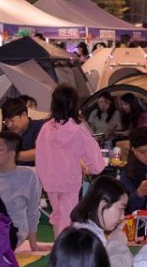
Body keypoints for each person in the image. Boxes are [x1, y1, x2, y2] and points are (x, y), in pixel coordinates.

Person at [36, 84, 105, 236]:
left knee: (57, 215)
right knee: (68, 218)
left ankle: (57, 249)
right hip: (69, 182)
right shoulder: (78, 130)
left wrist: (44, 176)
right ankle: (63, 253)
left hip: (50, 181)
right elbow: (93, 156)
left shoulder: (45, 128)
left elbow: (40, 155)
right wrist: (91, 168)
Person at [0, 131, 42, 252]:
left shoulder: (28, 175)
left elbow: (32, 211)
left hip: (12, 232)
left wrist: (33, 245)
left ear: (11, 154)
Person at [0, 97, 44, 164]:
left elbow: (43, 152)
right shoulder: (6, 134)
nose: (9, 125)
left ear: (24, 115)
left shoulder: (40, 127)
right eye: (6, 121)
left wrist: (14, 155)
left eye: (12, 120)